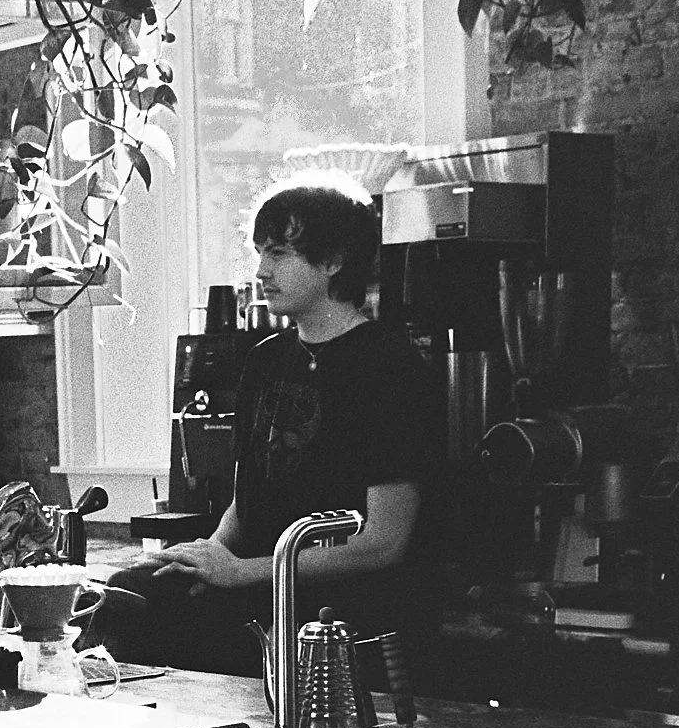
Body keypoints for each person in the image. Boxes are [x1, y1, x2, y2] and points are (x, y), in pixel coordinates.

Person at [94, 184, 443, 674]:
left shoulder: (391, 369)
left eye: (279, 253)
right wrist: (207, 554)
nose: (261, 271)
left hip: (334, 608)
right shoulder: (264, 361)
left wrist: (244, 573)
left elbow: (384, 542)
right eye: (260, 253)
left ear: (334, 262)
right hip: (257, 583)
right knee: (121, 597)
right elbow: (248, 503)